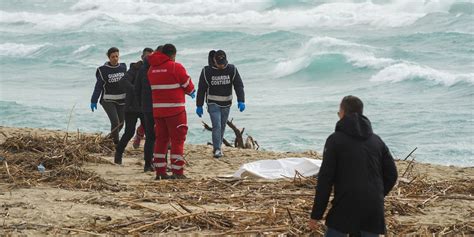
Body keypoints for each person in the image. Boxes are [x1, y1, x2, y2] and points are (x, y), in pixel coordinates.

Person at [309, 96, 398, 237]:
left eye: (339, 112)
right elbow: (392, 174)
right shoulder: (376, 140)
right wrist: (377, 194)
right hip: (373, 207)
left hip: (345, 205)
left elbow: (325, 179)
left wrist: (316, 214)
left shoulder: (335, 140)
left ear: (343, 113)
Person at [147, 44, 195, 180]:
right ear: (173, 55)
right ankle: (177, 172)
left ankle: (160, 172)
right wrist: (191, 92)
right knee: (177, 141)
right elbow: (188, 86)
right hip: (176, 110)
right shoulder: (176, 67)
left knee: (161, 141)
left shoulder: (151, 69)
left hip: (158, 111)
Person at [196, 50, 245, 158]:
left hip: (226, 103)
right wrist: (199, 105)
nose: (222, 65)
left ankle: (218, 146)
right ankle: (217, 149)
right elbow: (201, 89)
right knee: (216, 125)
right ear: (214, 60)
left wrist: (241, 100)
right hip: (213, 103)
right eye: (219, 63)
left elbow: (238, 85)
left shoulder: (232, 69)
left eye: (223, 63)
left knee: (222, 126)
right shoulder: (207, 71)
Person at [113, 47, 153, 165]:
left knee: (150, 134)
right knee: (129, 132)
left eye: (150, 57)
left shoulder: (153, 69)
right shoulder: (135, 68)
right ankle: (118, 154)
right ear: (142, 57)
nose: (148, 59)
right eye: (146, 56)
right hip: (131, 107)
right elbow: (123, 81)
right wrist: (136, 90)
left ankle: (149, 161)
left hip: (144, 107)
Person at [135, 45, 164, 172]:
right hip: (159, 106)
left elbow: (137, 89)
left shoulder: (143, 68)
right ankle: (158, 164)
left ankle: (148, 164)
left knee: (151, 137)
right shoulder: (160, 67)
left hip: (146, 107)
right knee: (161, 137)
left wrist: (141, 103)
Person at [90, 47, 127, 144]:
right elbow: (98, 87)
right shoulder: (103, 70)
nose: (115, 58)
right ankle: (116, 143)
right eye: (112, 57)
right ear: (109, 57)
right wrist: (93, 100)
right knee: (115, 122)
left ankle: (108, 139)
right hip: (107, 100)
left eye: (116, 56)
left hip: (122, 99)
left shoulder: (123, 67)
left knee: (121, 123)